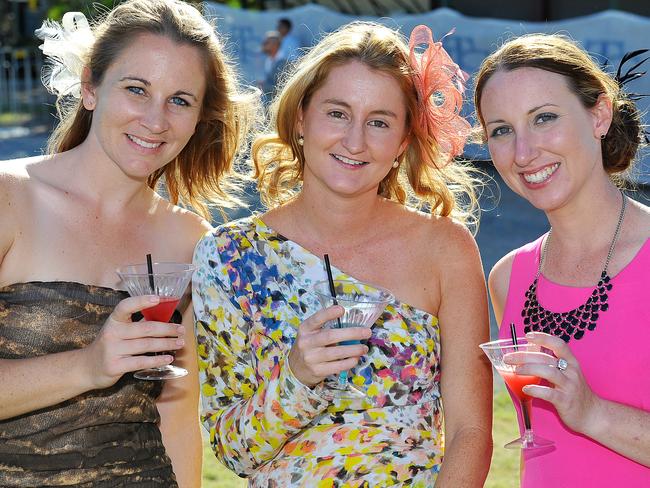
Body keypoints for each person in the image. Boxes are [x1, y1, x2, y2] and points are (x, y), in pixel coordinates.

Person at [194, 21, 492, 487]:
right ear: (300, 119)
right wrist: (296, 377)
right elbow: (232, 451)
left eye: (379, 122)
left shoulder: (445, 249)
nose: (355, 141)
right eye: (337, 113)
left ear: (402, 142)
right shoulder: (228, 256)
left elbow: (471, 433)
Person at [0, 0, 256, 486]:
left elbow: (178, 415)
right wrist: (87, 366)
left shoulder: (188, 239)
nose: (156, 120)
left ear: (200, 116)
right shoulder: (8, 198)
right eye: (137, 89)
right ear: (91, 87)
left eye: (180, 100)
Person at [474, 34, 650, 486]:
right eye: (501, 129)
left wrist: (591, 412)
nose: (523, 152)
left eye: (544, 118)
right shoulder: (509, 276)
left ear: (599, 115)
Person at [259, 30, 288, 102]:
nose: (263, 45)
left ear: (275, 45)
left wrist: (264, 86)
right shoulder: (269, 60)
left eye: (266, 43)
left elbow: (283, 88)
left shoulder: (284, 62)